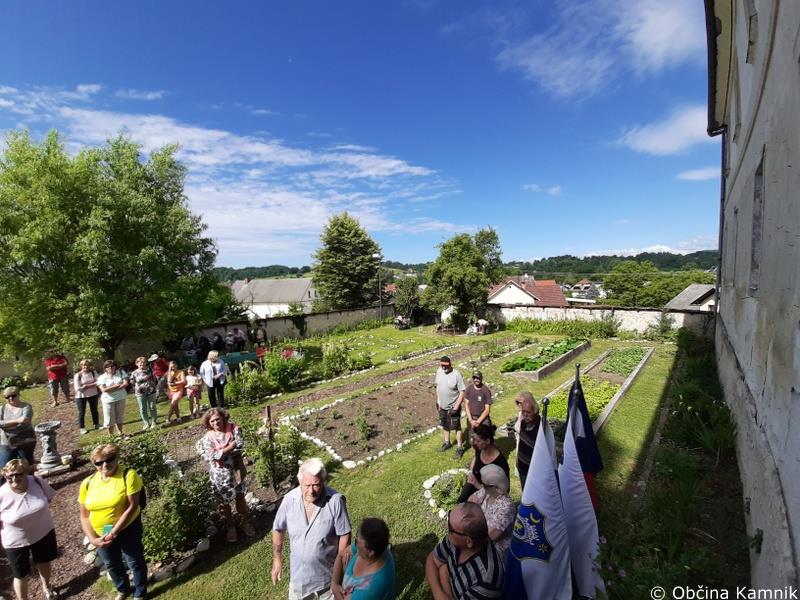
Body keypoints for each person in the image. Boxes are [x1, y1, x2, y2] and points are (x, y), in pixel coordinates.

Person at [272, 457, 352, 599]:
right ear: (300, 482)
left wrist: (340, 572)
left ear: (323, 481)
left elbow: (344, 534)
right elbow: (278, 529)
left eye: (316, 485)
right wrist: (277, 559)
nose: (311, 491)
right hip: (299, 577)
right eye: (307, 485)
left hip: (328, 578)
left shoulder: (335, 501)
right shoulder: (289, 500)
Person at [79, 443, 147, 600]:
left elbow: (132, 507)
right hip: (102, 532)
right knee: (111, 563)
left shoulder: (128, 475)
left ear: (117, 457)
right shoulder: (88, 483)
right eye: (98, 462)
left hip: (127, 527)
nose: (104, 465)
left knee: (134, 560)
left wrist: (114, 532)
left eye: (109, 460)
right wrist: (93, 539)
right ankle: (123, 589)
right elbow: (84, 515)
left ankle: (140, 592)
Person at [0, 459, 59, 600]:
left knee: (44, 561)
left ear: (26, 472)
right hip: (15, 541)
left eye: (19, 474)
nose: (14, 479)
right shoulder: (1, 494)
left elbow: (48, 498)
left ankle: (47, 587)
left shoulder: (37, 482)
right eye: (9, 476)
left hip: (43, 532)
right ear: (5, 475)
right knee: (20, 574)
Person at [195, 408, 254, 542]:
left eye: (218, 419)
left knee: (240, 497)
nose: (216, 423)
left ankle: (244, 522)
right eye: (212, 421)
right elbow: (212, 456)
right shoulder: (208, 437)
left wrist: (221, 452)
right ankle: (230, 526)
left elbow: (239, 446)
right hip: (219, 474)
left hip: (236, 470)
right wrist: (229, 448)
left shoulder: (234, 428)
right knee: (223, 502)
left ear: (223, 418)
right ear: (209, 423)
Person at [425, 502, 504, 599]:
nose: (445, 527)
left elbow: (437, 565)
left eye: (450, 527)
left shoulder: (486, 581)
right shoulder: (456, 538)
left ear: (468, 541)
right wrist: (438, 593)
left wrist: (443, 573)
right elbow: (432, 560)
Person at [332, 518, 396, 600]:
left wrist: (342, 577)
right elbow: (341, 555)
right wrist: (334, 583)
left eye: (357, 541)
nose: (355, 544)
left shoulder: (370, 589)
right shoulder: (377, 547)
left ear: (370, 552)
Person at [467, 465, 516, 558]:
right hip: (477, 535)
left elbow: (489, 537)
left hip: (495, 550)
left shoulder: (506, 508)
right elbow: (470, 500)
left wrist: (474, 511)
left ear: (497, 488)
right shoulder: (487, 491)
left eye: (484, 485)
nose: (482, 486)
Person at [456, 424, 510, 504]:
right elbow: (475, 458)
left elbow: (503, 491)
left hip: (490, 495)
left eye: (478, 441)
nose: (475, 443)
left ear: (487, 441)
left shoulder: (500, 463)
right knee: (460, 502)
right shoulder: (480, 449)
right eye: (474, 440)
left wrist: (479, 486)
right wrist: (470, 472)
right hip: (474, 484)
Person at [434, 356, 466, 457]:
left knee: (457, 427)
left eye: (445, 365)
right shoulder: (439, 371)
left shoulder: (456, 374)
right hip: (442, 405)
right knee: (445, 424)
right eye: (442, 365)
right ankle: (447, 443)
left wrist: (456, 406)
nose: (443, 367)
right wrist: (438, 401)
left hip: (453, 406)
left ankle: (459, 447)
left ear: (450, 364)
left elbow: (462, 392)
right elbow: (438, 386)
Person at [0, 387, 36, 469]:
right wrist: (18, 421)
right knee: (4, 468)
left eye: (13, 396)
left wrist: (6, 424)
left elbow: (25, 420)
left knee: (26, 467)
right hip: (7, 442)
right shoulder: (2, 409)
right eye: (7, 397)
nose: (10, 398)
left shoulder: (26, 407)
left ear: (18, 395)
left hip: (25, 440)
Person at [513, 391, 540, 486]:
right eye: (523, 412)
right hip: (522, 467)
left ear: (535, 412)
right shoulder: (523, 422)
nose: (525, 415)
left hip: (535, 470)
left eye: (528, 412)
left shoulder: (541, 427)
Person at [96, 361, 129, 437]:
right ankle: (111, 435)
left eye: (112, 366)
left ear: (115, 366)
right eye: (108, 366)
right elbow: (104, 390)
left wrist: (111, 389)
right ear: (105, 368)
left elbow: (125, 383)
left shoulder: (121, 372)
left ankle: (120, 432)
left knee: (119, 416)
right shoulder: (101, 377)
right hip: (108, 400)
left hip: (121, 398)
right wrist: (117, 385)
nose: (110, 368)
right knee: (109, 418)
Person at [129, 356, 158, 431]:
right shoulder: (134, 373)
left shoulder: (150, 370)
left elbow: (155, 379)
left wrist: (153, 386)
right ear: (136, 364)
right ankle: (146, 423)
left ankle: (154, 422)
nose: (142, 364)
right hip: (140, 392)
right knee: (142, 408)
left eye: (143, 362)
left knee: (152, 406)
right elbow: (132, 382)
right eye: (140, 362)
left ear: (146, 363)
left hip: (151, 391)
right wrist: (135, 389)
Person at [73, 359, 100, 434]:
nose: (86, 367)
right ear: (81, 366)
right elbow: (78, 388)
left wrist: (86, 386)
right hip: (81, 396)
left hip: (93, 394)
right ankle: (82, 428)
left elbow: (99, 381)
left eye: (88, 365)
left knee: (94, 410)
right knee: (82, 412)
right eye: (84, 365)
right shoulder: (78, 375)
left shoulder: (93, 372)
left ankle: (96, 424)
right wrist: (93, 384)